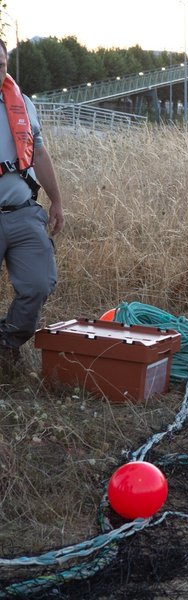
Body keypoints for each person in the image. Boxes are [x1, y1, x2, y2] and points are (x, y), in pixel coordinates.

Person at [0, 39, 64, 376]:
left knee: (39, 284)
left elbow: (38, 152)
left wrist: (56, 200)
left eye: (0, 64)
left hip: (22, 211)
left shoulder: (21, 103)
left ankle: (8, 345)